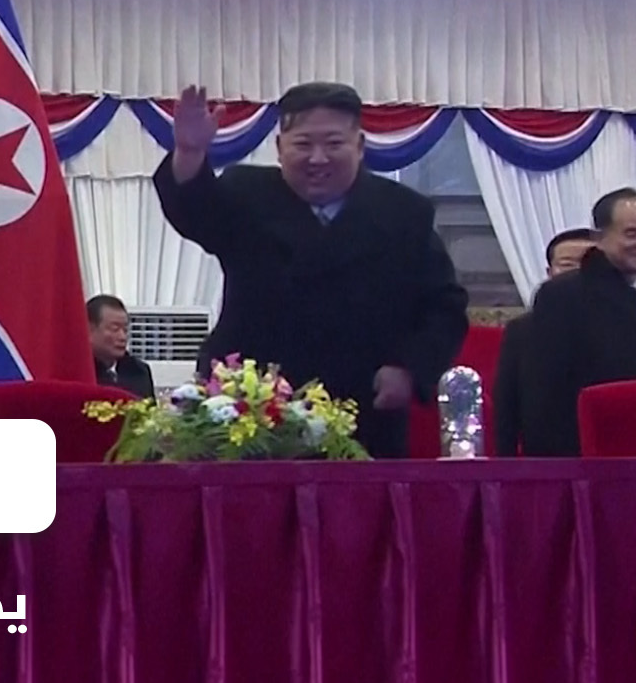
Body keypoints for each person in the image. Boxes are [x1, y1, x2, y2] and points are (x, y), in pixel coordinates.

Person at [154, 83, 469, 458]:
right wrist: (190, 152)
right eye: (303, 144)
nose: (318, 158)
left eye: (333, 144)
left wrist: (409, 369)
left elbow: (444, 307)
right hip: (249, 412)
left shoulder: (404, 212)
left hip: (362, 412)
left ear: (360, 145)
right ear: (279, 147)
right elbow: (193, 210)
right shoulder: (246, 192)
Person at [522, 188, 636, 456]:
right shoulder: (560, 295)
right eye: (632, 234)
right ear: (600, 238)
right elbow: (545, 390)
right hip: (582, 454)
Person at [491, 228, 594, 457]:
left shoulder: (627, 322)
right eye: (567, 264)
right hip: (547, 454)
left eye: (589, 265)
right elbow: (507, 402)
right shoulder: (522, 329)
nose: (578, 272)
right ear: (550, 272)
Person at [87, 294, 155, 398]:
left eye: (125, 330)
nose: (122, 337)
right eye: (115, 329)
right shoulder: (79, 372)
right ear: (89, 330)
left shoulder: (140, 371)